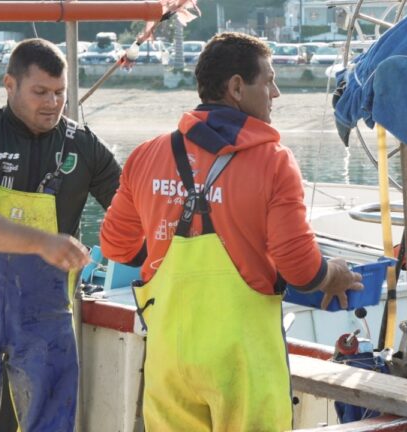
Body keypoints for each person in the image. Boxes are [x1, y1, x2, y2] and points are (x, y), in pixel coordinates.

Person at [99, 32, 363, 431]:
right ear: (237, 87)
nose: (276, 93)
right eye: (268, 80)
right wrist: (332, 275)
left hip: (170, 359)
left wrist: (162, 253)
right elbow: (298, 267)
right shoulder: (274, 161)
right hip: (243, 364)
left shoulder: (146, 155)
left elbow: (115, 245)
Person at [0, 38, 121, 432]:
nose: (53, 103)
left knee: (51, 419)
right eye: (40, 92)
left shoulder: (83, 147)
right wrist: (44, 243)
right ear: (9, 85)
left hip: (46, 312)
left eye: (60, 93)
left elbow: (129, 211)